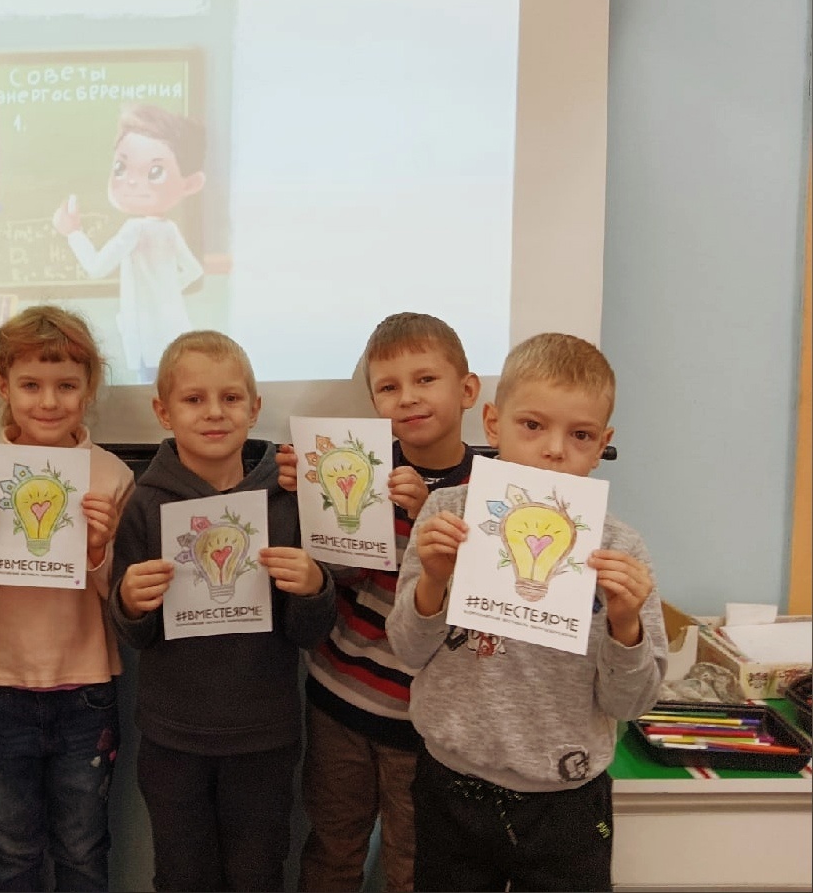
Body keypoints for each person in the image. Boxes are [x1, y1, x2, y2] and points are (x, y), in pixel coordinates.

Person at [387, 333, 666, 892]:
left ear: (602, 443)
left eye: (580, 435)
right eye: (532, 425)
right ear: (493, 423)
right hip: (451, 780)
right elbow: (408, 650)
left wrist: (625, 625)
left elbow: (630, 704)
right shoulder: (447, 515)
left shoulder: (619, 549)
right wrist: (434, 581)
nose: (554, 450)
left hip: (565, 796)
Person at [111, 330, 336, 892]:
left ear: (255, 408)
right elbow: (136, 633)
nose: (214, 412)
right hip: (172, 739)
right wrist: (130, 602)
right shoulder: (145, 503)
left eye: (231, 398)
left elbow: (307, 633)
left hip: (264, 737)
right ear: (163, 412)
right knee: (182, 875)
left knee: (257, 874)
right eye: (194, 399)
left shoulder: (289, 501)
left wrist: (313, 587)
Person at [0, 305, 135, 891]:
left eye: (66, 386)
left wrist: (100, 548)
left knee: (83, 847)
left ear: (89, 388)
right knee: (10, 849)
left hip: (87, 690)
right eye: (31, 385)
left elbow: (121, 600)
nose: (48, 402)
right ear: (4, 387)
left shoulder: (112, 477)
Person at [300, 312, 481, 893]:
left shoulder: (494, 493)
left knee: (413, 866)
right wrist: (345, 514)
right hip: (340, 701)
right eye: (389, 387)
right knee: (333, 851)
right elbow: (338, 576)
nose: (408, 397)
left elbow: (484, 602)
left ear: (468, 390)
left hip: (428, 724)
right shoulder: (360, 469)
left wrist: (427, 515)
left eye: (425, 379)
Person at [52, 105, 207, 382]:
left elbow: (96, 268)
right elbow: (193, 271)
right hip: (175, 333)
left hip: (147, 341)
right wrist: (166, 292)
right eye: (121, 167)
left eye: (155, 171)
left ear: (190, 184)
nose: (132, 182)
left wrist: (73, 233)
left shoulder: (135, 229)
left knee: (150, 391)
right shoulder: (170, 229)